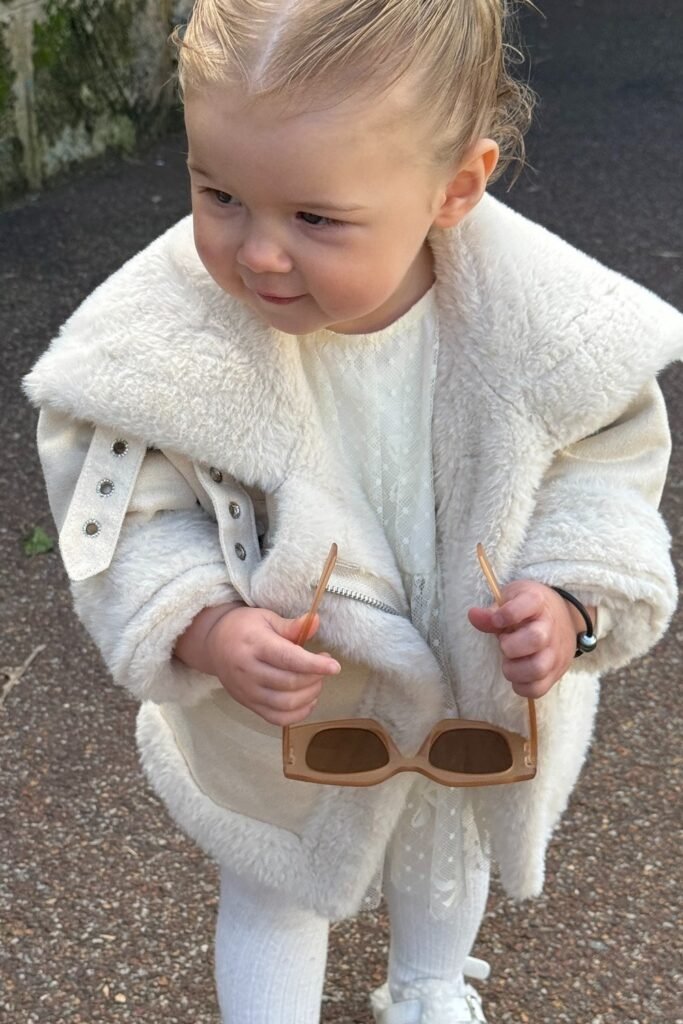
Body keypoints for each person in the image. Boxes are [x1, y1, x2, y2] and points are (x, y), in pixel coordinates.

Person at [23, 1, 683, 1022]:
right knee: (276, 879)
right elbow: (130, 510)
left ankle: (426, 986)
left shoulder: (548, 333)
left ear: (454, 187)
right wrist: (203, 622)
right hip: (292, 705)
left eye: (315, 218)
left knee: (442, 845)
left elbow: (603, 470)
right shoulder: (156, 352)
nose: (258, 254)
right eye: (219, 194)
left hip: (471, 671)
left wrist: (568, 598)